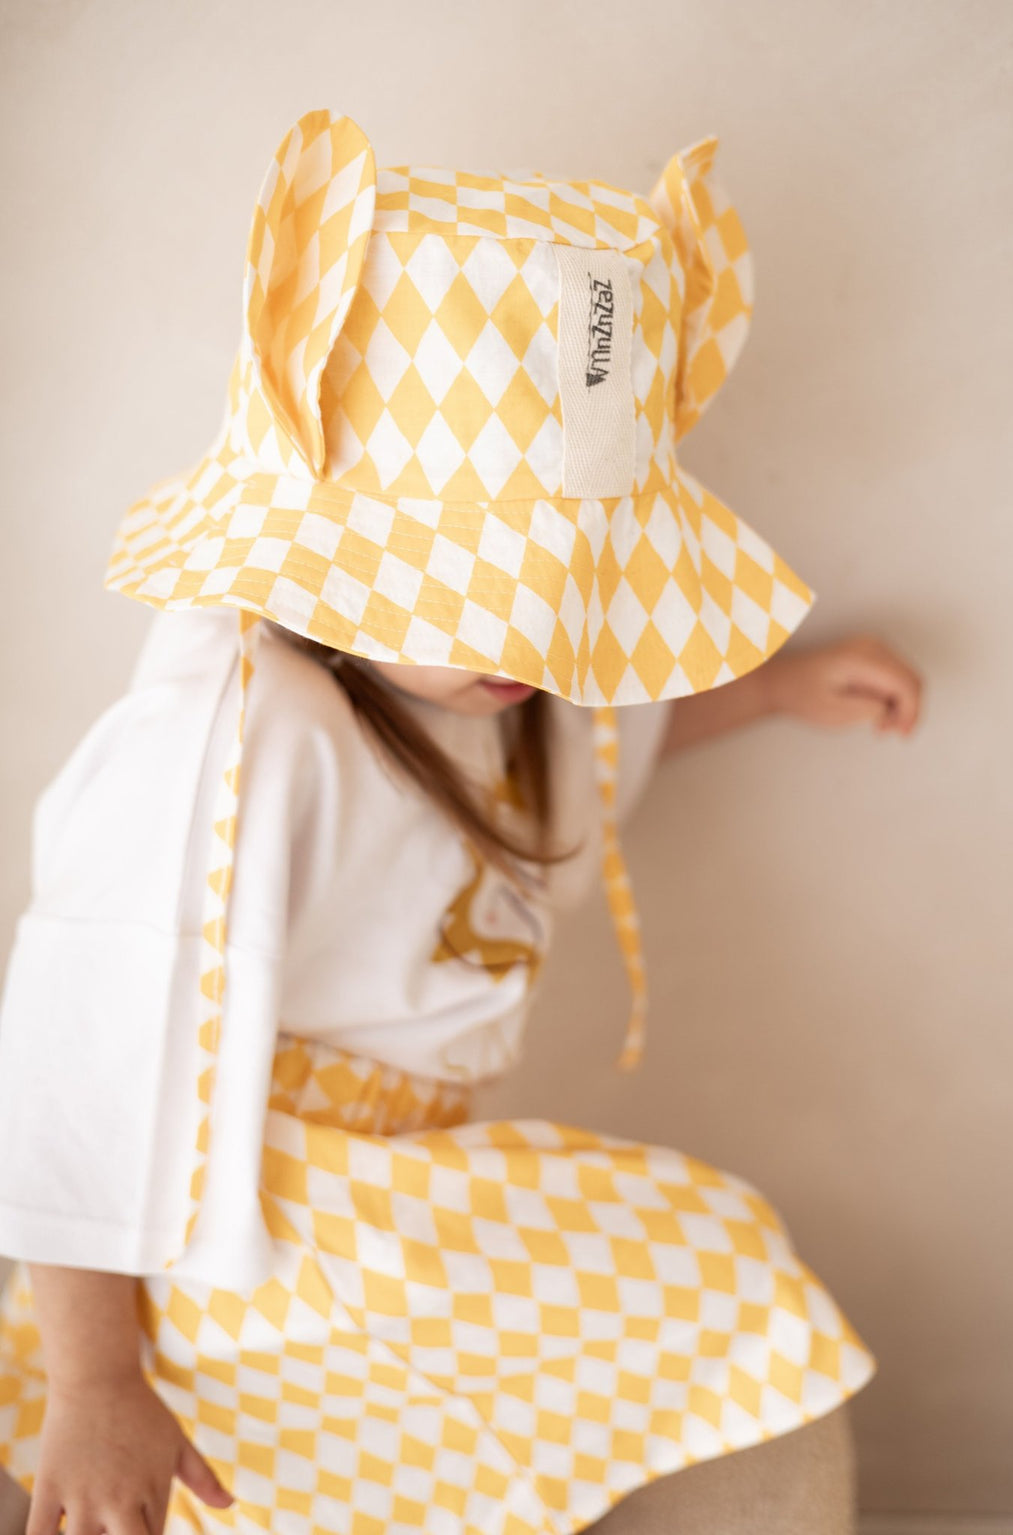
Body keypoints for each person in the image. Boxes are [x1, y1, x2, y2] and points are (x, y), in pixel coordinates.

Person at [0, 110, 922, 1534]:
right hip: (248, 1205)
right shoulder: (243, 731)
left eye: (564, 590)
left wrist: (779, 691)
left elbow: (613, 742)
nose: (529, 637)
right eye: (475, 588)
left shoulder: (521, 688)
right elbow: (88, 1050)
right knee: (706, 1260)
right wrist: (94, 1378)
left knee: (672, 1278)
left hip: (399, 1178)